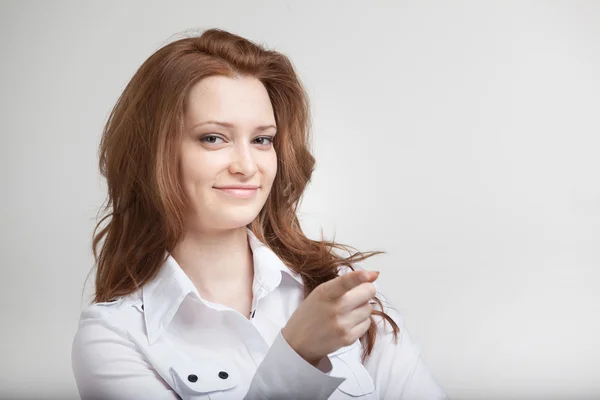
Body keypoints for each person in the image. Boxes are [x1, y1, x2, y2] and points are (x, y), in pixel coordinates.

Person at [71, 28, 447, 400]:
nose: (247, 166)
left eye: (262, 140)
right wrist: (296, 356)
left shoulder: (336, 292)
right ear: (152, 154)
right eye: (213, 138)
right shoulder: (113, 338)